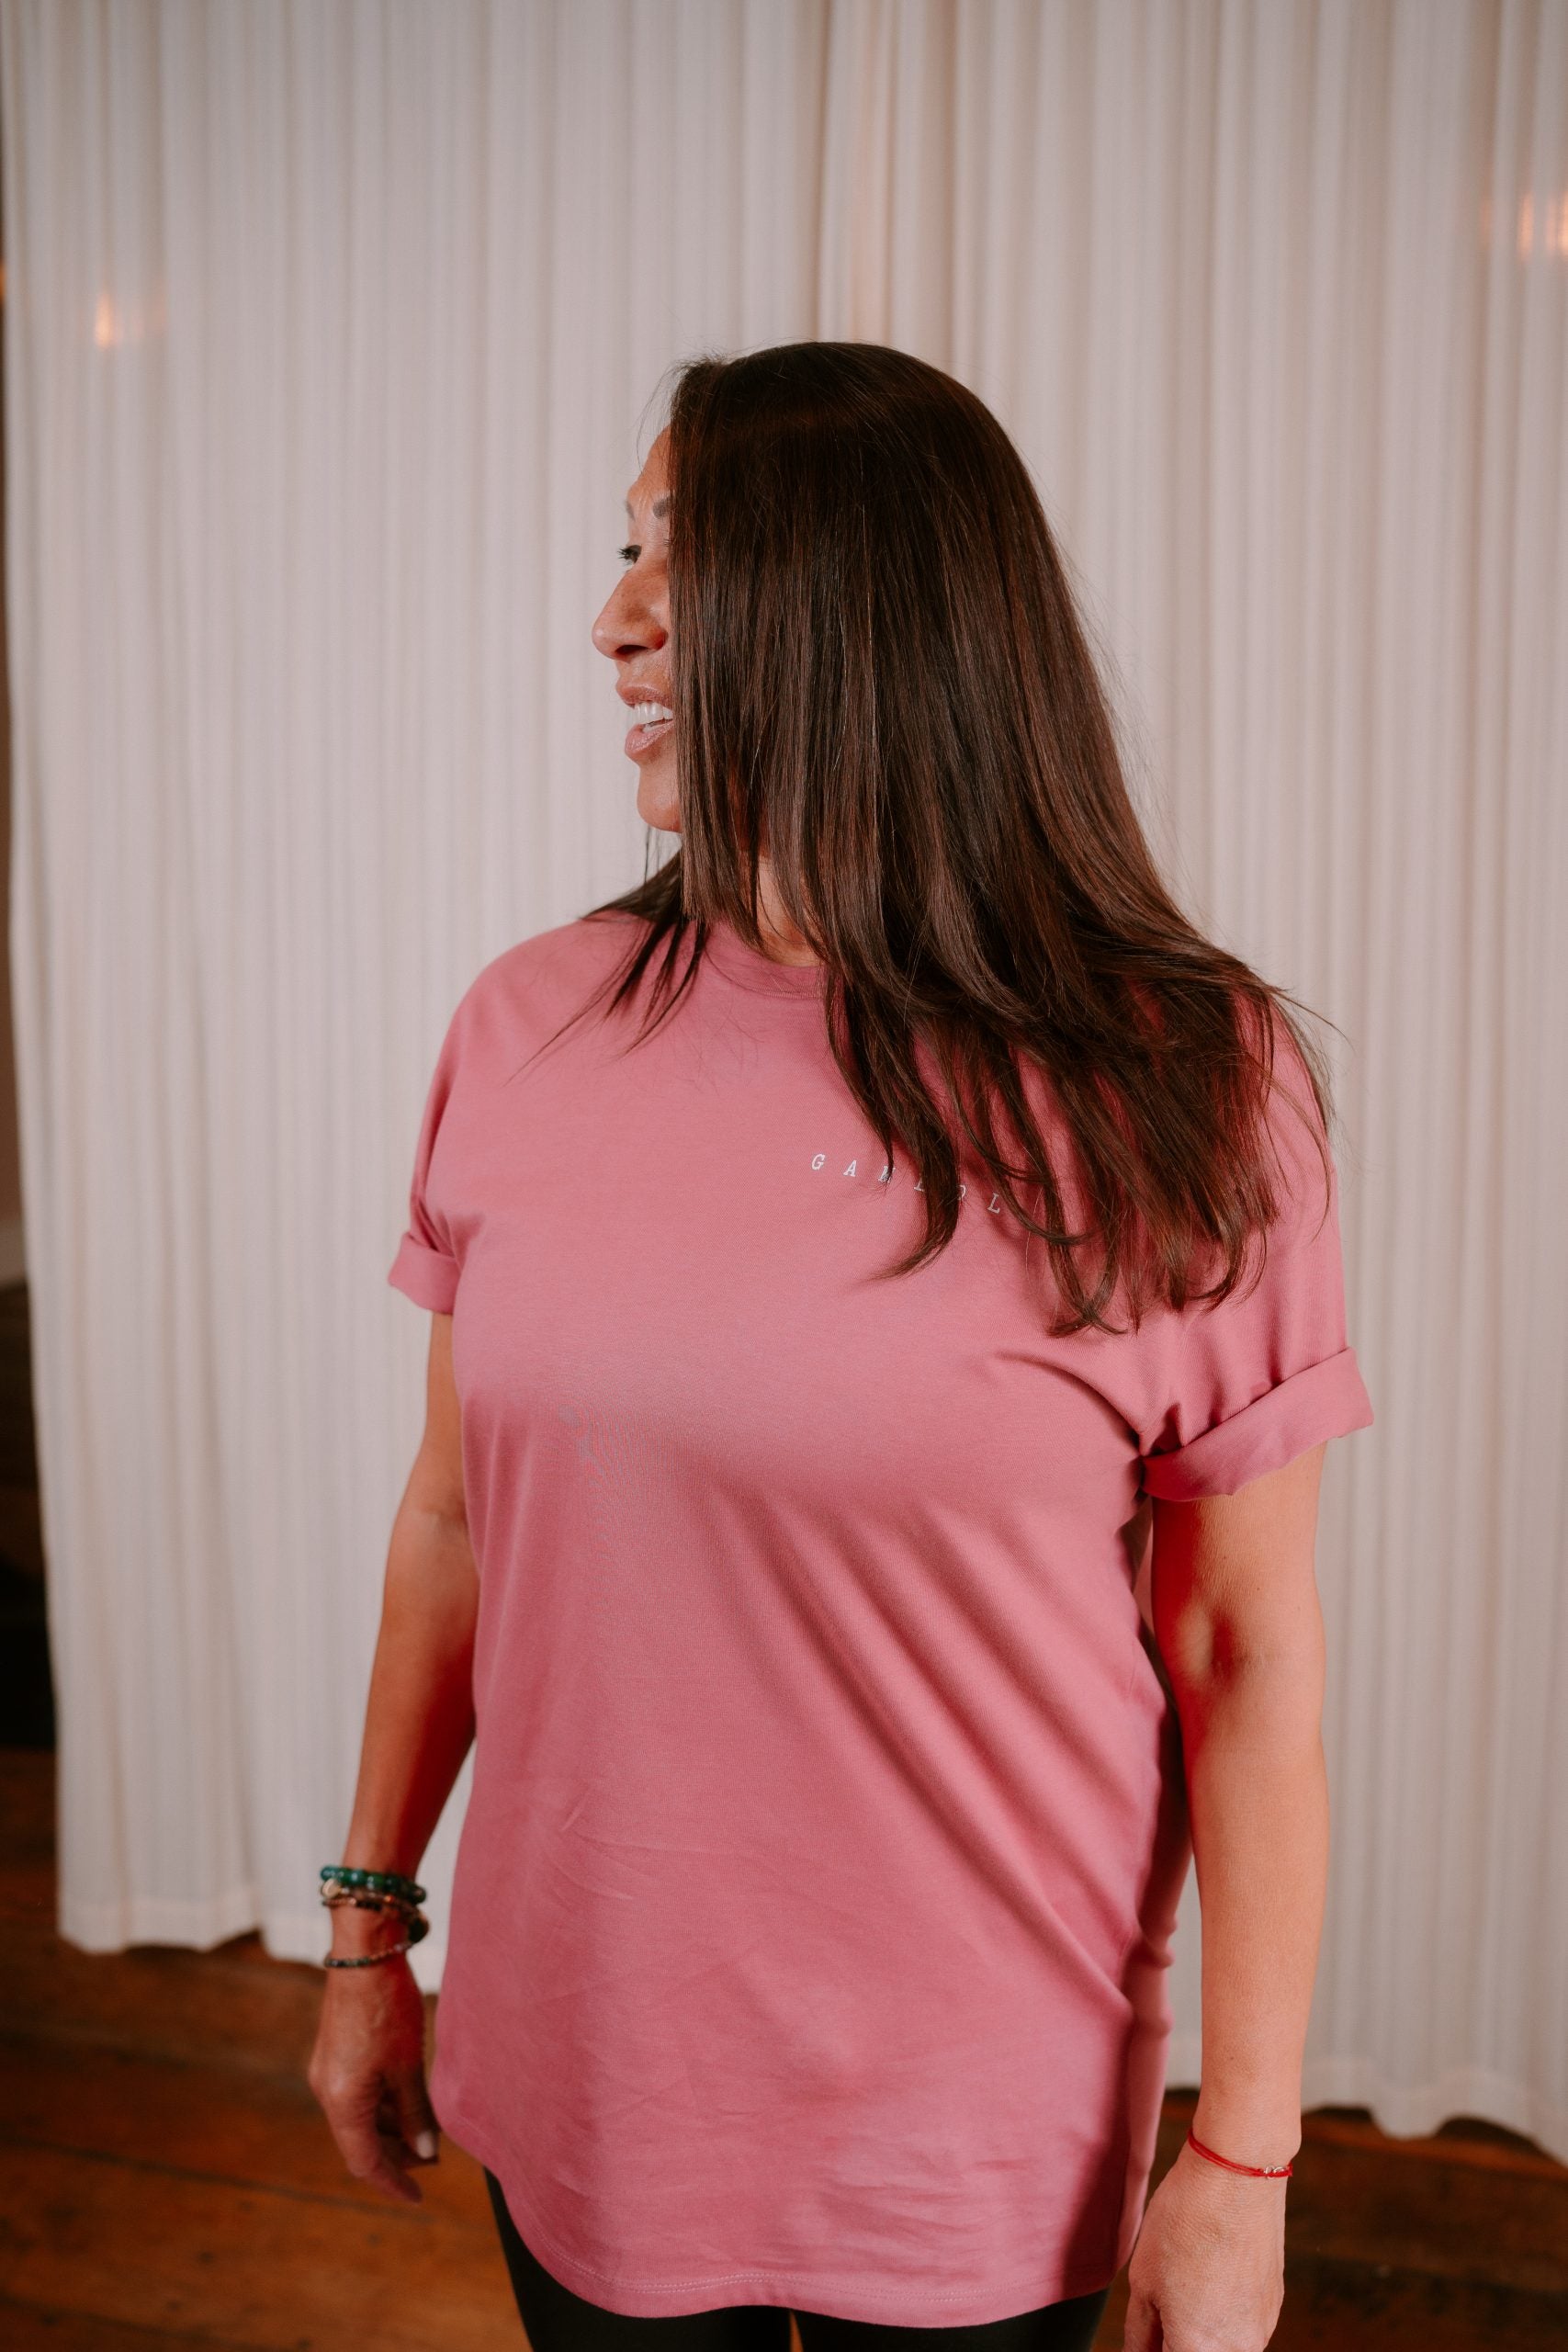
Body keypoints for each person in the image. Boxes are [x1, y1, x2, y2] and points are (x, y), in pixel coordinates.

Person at [308, 342, 1373, 2352]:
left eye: (677, 559)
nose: (612, 618)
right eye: (620, 555)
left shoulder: (1182, 1079)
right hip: (592, 2065)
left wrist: (1239, 2156)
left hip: (978, 2118)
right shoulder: (524, 1027)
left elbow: (1242, 1648)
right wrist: (365, 1927)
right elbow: (453, 1521)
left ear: (868, 607)